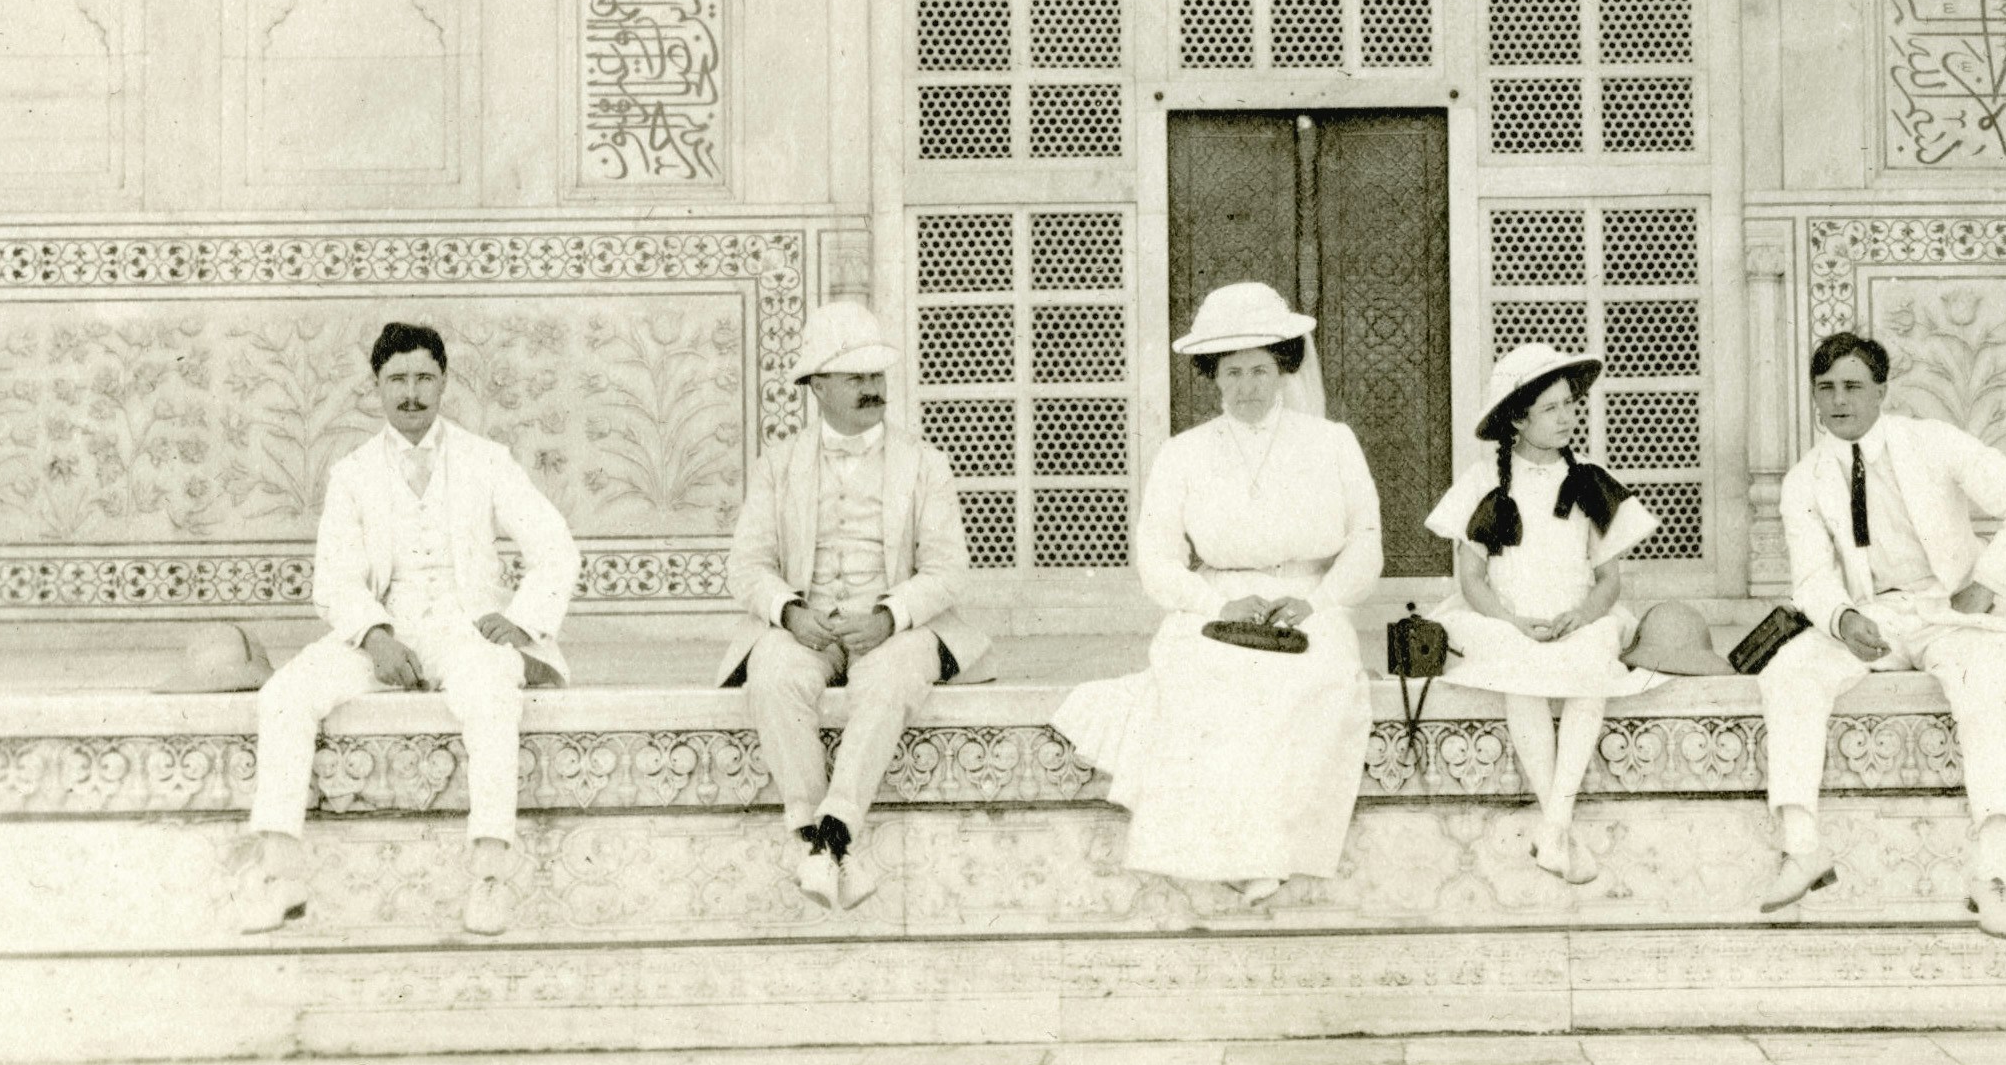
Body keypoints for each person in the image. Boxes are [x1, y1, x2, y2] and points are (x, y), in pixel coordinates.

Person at [241, 321, 581, 937]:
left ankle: (490, 877)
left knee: (489, 696)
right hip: (386, 630)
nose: (411, 393)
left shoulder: (486, 459)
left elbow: (555, 546)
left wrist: (522, 622)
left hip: (466, 627)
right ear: (376, 386)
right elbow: (335, 579)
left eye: (425, 377)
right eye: (397, 379)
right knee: (285, 696)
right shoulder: (353, 472)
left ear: (445, 381)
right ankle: (280, 874)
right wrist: (374, 636)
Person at [1051, 282, 1381, 905]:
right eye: (1233, 373)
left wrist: (1318, 602)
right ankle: (1208, 855)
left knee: (1306, 686)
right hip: (1215, 605)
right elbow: (1156, 560)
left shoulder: (1332, 443)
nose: (1249, 387)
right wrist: (1213, 604)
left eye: (1260, 369)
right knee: (1198, 681)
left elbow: (1366, 544)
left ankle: (1269, 853)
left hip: (1309, 602)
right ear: (1213, 377)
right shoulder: (1183, 453)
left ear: (1283, 368)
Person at [1759, 329, 2006, 936]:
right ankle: (1802, 849)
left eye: (1853, 386)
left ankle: (1992, 873)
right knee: (1788, 673)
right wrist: (1844, 618)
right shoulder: (1804, 480)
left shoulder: (1931, 443)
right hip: (1872, 619)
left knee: (1984, 688)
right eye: (1825, 389)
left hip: (1951, 612)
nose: (1838, 401)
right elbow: (1813, 578)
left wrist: (1991, 582)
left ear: (1881, 391)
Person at [714, 298, 989, 910]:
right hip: (808, 623)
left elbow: (948, 571)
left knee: (891, 678)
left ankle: (827, 834)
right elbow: (747, 566)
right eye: (855, 377)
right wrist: (790, 612)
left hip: (893, 627)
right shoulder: (778, 466)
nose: (872, 389)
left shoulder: (926, 464)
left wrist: (890, 616)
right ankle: (829, 845)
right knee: (773, 673)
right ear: (817, 386)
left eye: (876, 376)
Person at [1424, 344, 1699, 884]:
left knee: (1592, 665)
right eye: (1550, 409)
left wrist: (1582, 615)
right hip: (1504, 616)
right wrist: (1512, 622)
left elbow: (1609, 578)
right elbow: (1472, 580)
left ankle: (1554, 825)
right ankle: (1559, 832)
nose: (1567, 417)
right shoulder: (1486, 482)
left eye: (1570, 405)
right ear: (1518, 419)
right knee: (1519, 669)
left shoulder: (1589, 478)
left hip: (1577, 613)